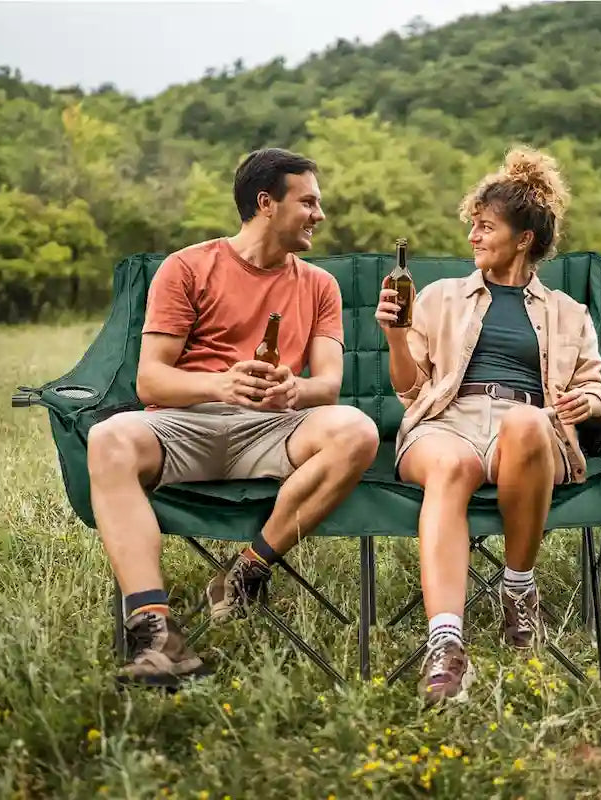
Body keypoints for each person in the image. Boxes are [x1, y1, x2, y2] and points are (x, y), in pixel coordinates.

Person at [88, 148, 379, 687]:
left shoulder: (319, 285)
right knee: (108, 438)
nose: (320, 214)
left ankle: (246, 571)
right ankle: (155, 633)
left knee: (357, 430)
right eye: (309, 202)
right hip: (186, 423)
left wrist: (296, 389)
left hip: (273, 428)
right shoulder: (188, 267)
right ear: (266, 203)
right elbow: (150, 380)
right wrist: (219, 384)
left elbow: (329, 384)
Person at [374, 147, 601, 706]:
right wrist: (393, 335)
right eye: (473, 227)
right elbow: (410, 390)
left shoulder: (567, 312)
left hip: (526, 433)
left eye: (486, 227)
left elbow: (599, 386)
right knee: (452, 464)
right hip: (445, 423)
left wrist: (589, 403)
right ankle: (446, 646)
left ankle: (517, 586)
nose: (473, 238)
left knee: (529, 422)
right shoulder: (439, 298)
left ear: (524, 238)